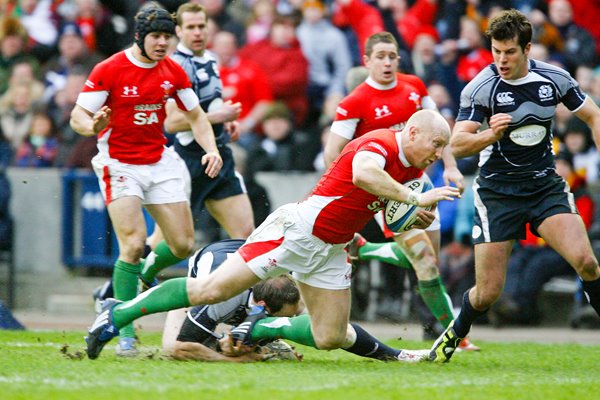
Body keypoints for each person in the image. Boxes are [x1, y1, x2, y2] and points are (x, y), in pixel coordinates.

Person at [84, 109, 461, 360]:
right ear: (412, 132)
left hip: (331, 249)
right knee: (210, 290)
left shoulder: (412, 171)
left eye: (444, 147)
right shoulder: (377, 142)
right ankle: (116, 316)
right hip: (296, 231)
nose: (439, 153)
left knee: (329, 336)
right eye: (436, 144)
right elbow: (363, 174)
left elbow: (388, 218)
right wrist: (414, 197)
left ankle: (270, 327)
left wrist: (412, 218)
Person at [429, 9, 600, 363]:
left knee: (587, 263)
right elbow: (457, 145)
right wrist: (491, 133)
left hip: (544, 187)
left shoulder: (554, 79)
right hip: (497, 194)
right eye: (496, 51)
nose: (502, 60)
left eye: (509, 52)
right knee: (487, 294)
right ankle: (455, 333)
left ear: (527, 49)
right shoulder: (481, 87)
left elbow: (593, 115)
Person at [69, 4, 222, 357]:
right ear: (139, 36)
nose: (162, 43)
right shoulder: (110, 69)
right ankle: (124, 334)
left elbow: (196, 116)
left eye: (168, 36)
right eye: (156, 36)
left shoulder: (172, 70)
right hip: (119, 163)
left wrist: (211, 149)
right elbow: (79, 114)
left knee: (183, 245)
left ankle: (144, 274)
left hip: (159, 161)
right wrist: (91, 127)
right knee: (134, 243)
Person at [323, 31, 477, 351]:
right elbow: (332, 151)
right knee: (422, 259)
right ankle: (453, 335)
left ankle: (365, 249)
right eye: (380, 56)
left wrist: (449, 167)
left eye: (393, 56)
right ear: (366, 61)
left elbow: (439, 131)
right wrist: (349, 187)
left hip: (421, 183)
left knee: (427, 261)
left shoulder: (414, 87)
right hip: (387, 193)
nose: (388, 62)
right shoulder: (355, 102)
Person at [163, 239, 427, 363]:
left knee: (321, 327)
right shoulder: (221, 297)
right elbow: (181, 348)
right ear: (264, 307)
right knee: (173, 348)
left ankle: (397, 355)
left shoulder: (287, 283)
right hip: (210, 268)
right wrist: (234, 362)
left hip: (252, 264)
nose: (292, 320)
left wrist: (396, 355)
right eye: (287, 316)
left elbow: (337, 332)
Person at [143, 2, 255, 282]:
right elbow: (172, 122)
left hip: (219, 155)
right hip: (189, 161)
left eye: (201, 26)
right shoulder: (176, 65)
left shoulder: (211, 58)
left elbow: (209, 103)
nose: (197, 32)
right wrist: (219, 115)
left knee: (247, 236)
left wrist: (226, 121)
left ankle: (239, 302)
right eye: (190, 27)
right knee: (166, 241)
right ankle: (123, 285)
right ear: (178, 31)